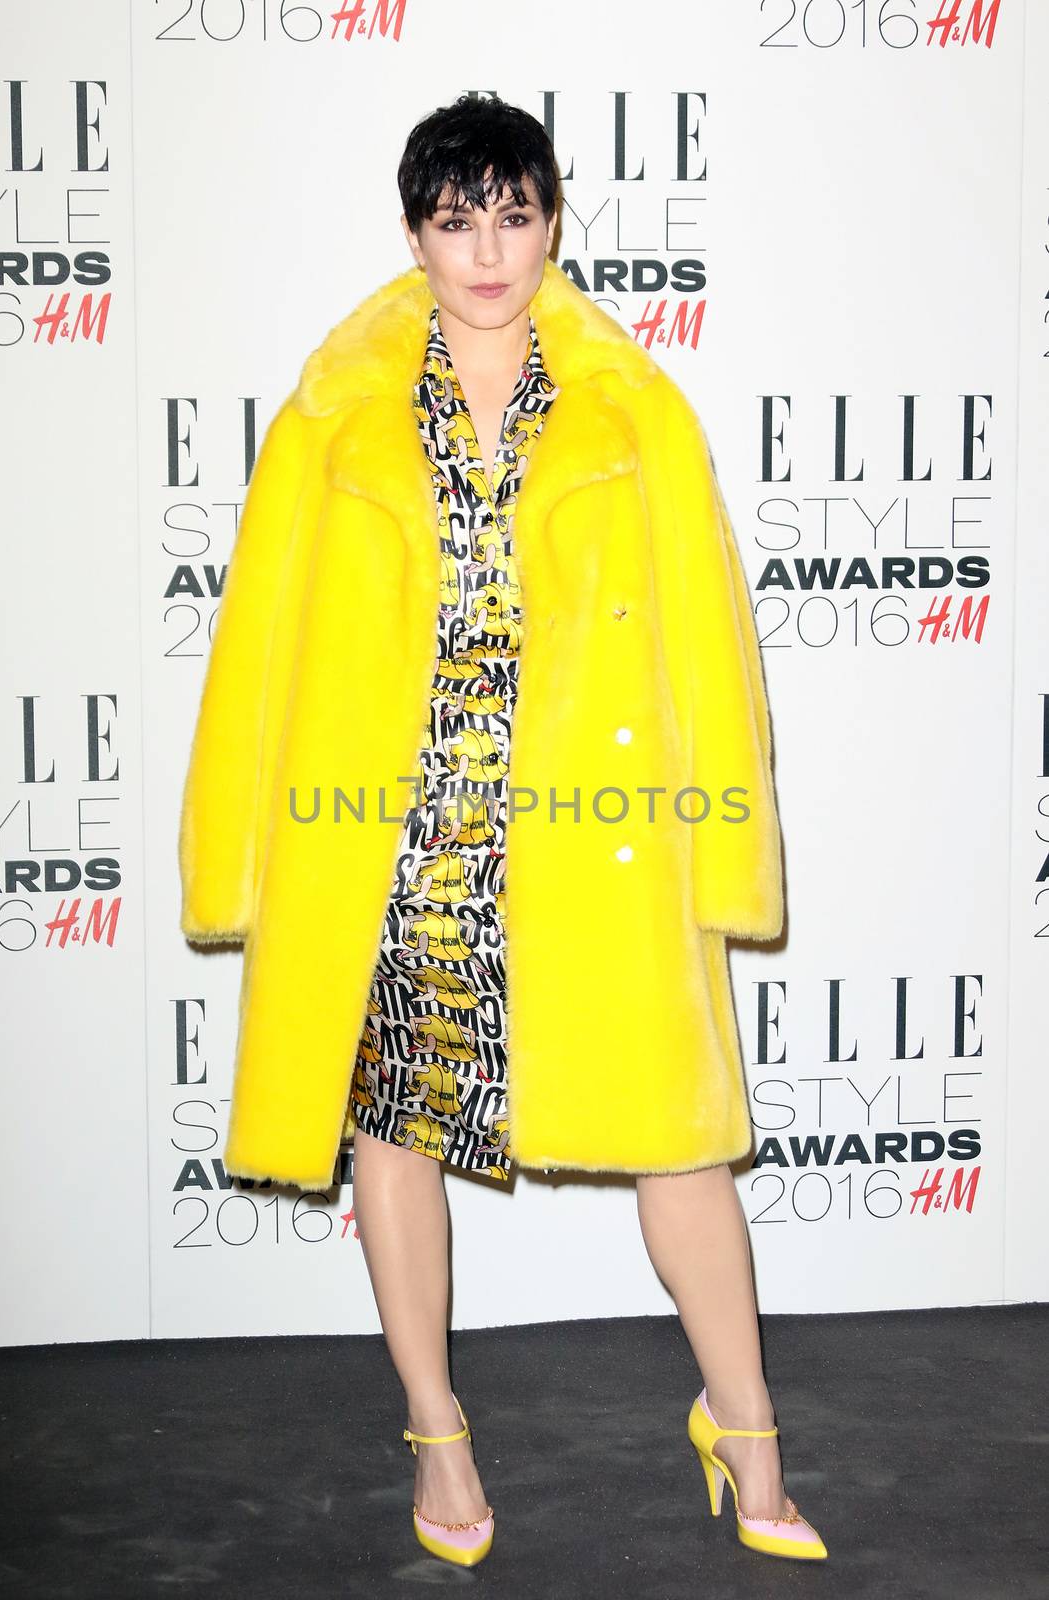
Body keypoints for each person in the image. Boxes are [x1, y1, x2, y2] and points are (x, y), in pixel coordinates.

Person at [178, 94, 827, 1568]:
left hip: (589, 843)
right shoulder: (334, 412)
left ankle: (748, 1427)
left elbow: (710, 647)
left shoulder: (632, 404)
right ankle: (437, 1433)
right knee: (392, 1136)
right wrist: (233, 861)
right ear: (414, 230)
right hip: (391, 838)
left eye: (514, 214)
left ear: (552, 218)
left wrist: (722, 852)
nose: (488, 250)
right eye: (456, 219)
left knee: (683, 1150)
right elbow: (255, 648)